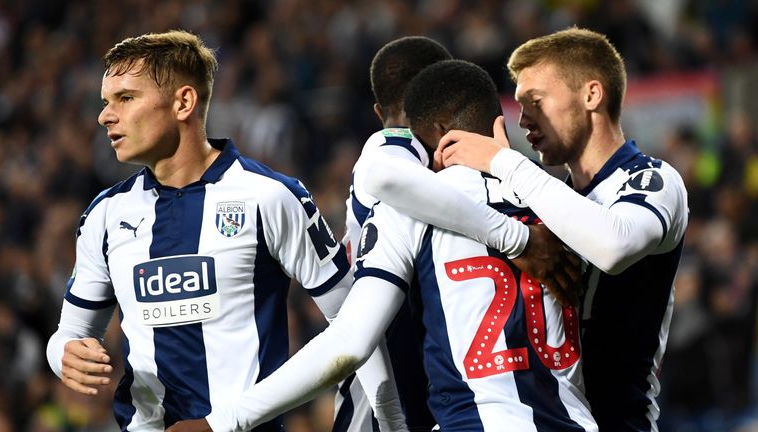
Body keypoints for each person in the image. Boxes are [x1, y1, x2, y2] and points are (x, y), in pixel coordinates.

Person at [168, 59, 598, 432]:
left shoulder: (409, 208)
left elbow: (350, 343)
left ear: (428, 134)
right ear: (499, 124)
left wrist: (220, 422)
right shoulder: (565, 203)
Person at [45, 30, 406, 431]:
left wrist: (391, 421)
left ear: (184, 102)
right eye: (106, 102)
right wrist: (64, 353)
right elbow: (71, 332)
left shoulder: (270, 196)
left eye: (126, 98)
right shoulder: (106, 214)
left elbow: (356, 325)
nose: (105, 116)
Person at [435, 27, 689, 431]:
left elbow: (614, 245)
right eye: (519, 105)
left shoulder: (653, 180)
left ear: (591, 95)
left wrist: (505, 163)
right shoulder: (546, 197)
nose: (523, 119)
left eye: (535, 101)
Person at [338, 36, 583, 432]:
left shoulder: (445, 187)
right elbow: (383, 175)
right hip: (401, 377)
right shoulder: (395, 148)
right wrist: (514, 237)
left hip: (420, 383)